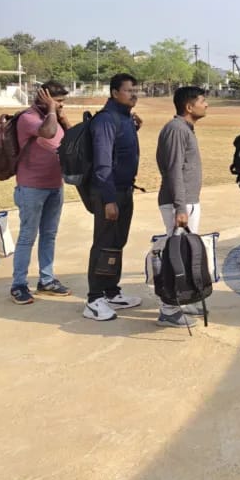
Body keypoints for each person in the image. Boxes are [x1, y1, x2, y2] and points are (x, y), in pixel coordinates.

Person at [83, 73, 143, 322]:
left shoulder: (124, 117)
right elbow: (103, 163)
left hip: (124, 189)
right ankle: (94, 299)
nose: (134, 94)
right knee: (104, 242)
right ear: (115, 93)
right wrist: (109, 200)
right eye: (129, 90)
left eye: (135, 90)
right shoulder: (106, 120)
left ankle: (110, 291)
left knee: (117, 242)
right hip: (109, 192)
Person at [10, 81, 71, 304]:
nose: (61, 105)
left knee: (49, 235)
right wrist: (52, 110)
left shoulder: (55, 117)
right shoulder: (28, 118)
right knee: (28, 236)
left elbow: (73, 139)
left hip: (55, 186)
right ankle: (18, 284)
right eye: (58, 101)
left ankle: (46, 279)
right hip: (31, 188)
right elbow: (48, 132)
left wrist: (61, 116)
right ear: (44, 97)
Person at [154, 85, 209, 328]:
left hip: (186, 201)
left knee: (186, 254)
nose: (206, 105)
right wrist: (180, 207)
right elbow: (173, 169)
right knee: (175, 256)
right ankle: (169, 309)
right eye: (202, 101)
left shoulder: (184, 128)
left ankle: (183, 299)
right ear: (189, 106)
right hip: (179, 203)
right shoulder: (177, 129)